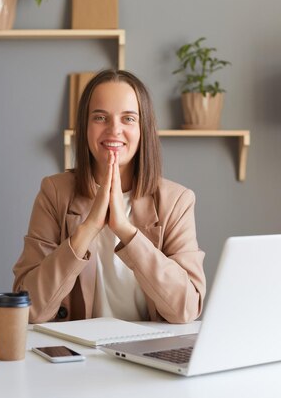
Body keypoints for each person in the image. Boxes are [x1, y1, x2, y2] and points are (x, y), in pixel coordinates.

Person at [13, 69, 205, 324]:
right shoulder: (54, 192)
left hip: (146, 353)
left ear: (143, 129)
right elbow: (29, 309)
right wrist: (88, 228)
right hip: (76, 354)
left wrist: (126, 231)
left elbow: (185, 310)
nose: (114, 130)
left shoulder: (176, 201)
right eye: (100, 117)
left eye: (128, 118)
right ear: (85, 127)